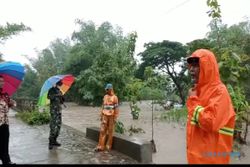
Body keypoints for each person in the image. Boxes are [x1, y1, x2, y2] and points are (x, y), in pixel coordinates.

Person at [186, 49, 236, 164]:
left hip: (212, 160)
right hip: (195, 158)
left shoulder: (220, 92)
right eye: (191, 66)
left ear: (207, 66)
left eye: (196, 66)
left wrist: (193, 100)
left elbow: (210, 123)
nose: (191, 69)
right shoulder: (197, 91)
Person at [95, 83, 119, 152]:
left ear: (111, 89)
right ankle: (100, 146)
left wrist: (115, 117)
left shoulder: (115, 97)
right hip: (105, 115)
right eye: (106, 89)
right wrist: (101, 115)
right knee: (102, 130)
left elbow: (116, 108)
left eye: (108, 89)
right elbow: (103, 106)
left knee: (110, 131)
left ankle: (108, 146)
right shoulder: (105, 96)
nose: (107, 90)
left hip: (111, 116)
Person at [0, 75, 16, 164]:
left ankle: (6, 160)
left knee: (5, 141)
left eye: (2, 81)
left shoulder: (5, 95)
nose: (2, 83)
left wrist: (11, 103)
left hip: (5, 122)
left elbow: (12, 104)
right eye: (0, 81)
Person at [47, 80, 64, 150]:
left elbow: (62, 101)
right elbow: (49, 97)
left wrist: (62, 98)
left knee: (58, 126)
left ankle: (55, 140)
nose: (61, 83)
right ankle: (50, 142)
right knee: (53, 126)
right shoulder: (51, 90)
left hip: (59, 111)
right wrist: (57, 95)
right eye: (60, 82)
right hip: (53, 111)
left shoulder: (60, 91)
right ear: (56, 83)